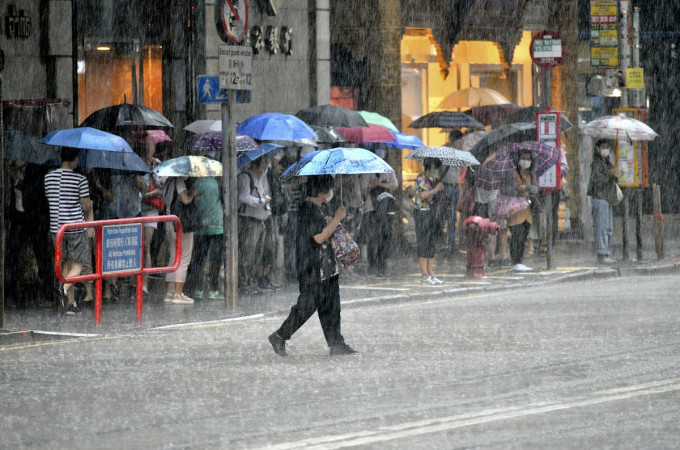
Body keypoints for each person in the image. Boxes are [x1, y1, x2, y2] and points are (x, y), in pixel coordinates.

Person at [268, 175, 358, 357]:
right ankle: (279, 335)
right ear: (322, 192)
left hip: (327, 267)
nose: (330, 194)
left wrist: (332, 220)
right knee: (307, 305)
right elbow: (318, 238)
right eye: (328, 190)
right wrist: (336, 219)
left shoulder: (321, 207)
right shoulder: (307, 209)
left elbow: (327, 232)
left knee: (331, 305)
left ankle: (336, 343)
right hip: (312, 267)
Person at [44, 147, 93, 315]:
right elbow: (85, 206)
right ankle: (63, 289)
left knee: (65, 263)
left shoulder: (48, 178)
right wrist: (90, 205)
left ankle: (71, 304)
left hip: (56, 228)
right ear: (74, 159)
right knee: (78, 264)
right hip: (74, 227)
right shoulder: (80, 179)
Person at [360, 147, 398, 278]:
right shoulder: (367, 171)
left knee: (385, 238)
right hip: (372, 209)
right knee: (373, 238)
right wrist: (377, 182)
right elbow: (364, 189)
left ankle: (382, 264)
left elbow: (395, 185)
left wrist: (382, 184)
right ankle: (372, 264)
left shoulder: (388, 169)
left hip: (386, 209)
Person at [237, 156, 272, 294]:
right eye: (263, 166)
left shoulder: (258, 178)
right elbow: (243, 197)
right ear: (255, 165)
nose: (264, 169)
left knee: (257, 254)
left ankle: (252, 281)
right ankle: (244, 283)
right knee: (247, 253)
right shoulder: (245, 177)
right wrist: (262, 201)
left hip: (259, 220)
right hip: (248, 220)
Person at [501, 149, 539, 272]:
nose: (525, 161)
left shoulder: (531, 174)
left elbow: (536, 189)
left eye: (528, 159)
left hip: (527, 211)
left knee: (523, 235)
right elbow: (504, 188)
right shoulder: (511, 173)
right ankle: (515, 260)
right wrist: (518, 190)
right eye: (523, 158)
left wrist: (527, 187)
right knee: (516, 235)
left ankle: (520, 261)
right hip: (515, 210)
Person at [163, 176, 198, 304]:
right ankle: (178, 293)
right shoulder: (179, 181)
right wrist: (192, 193)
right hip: (180, 224)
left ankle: (170, 291)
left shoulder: (168, 181)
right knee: (183, 258)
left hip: (169, 220)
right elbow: (185, 199)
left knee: (174, 257)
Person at [414, 157, 445, 285]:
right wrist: (436, 189)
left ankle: (431, 273)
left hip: (430, 213)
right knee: (423, 243)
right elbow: (422, 195)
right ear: (431, 167)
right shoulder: (421, 179)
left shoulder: (431, 180)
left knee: (431, 244)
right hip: (422, 213)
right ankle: (425, 275)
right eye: (436, 168)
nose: (436, 171)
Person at [587, 139, 618, 264]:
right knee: (602, 227)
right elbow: (597, 182)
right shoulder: (596, 164)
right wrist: (609, 175)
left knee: (608, 227)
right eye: (603, 146)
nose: (605, 149)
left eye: (607, 146)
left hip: (608, 198)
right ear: (598, 149)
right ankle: (601, 253)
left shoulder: (608, 163)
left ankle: (606, 252)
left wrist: (614, 175)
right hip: (600, 198)